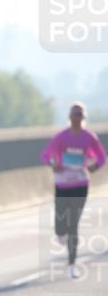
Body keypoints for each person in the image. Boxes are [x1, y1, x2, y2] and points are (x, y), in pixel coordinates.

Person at [40, 102, 106, 279]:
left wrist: (94, 167)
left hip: (80, 183)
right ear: (69, 117)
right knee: (61, 223)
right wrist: (53, 165)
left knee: (74, 224)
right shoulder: (61, 137)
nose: (77, 119)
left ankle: (72, 264)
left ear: (83, 118)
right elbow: (45, 156)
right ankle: (60, 234)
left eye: (80, 116)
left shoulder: (88, 137)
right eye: (75, 115)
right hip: (62, 184)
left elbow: (101, 157)